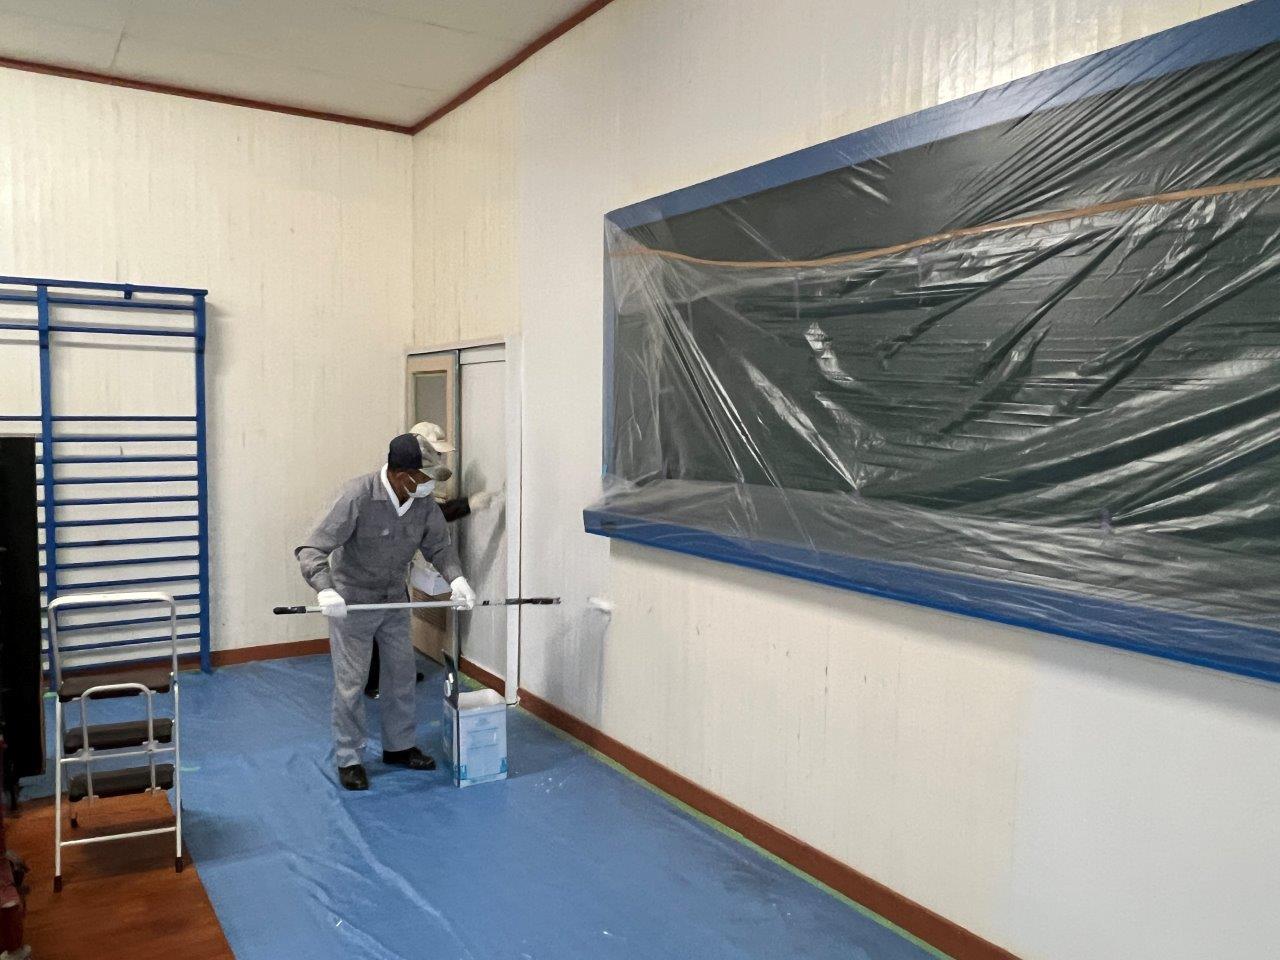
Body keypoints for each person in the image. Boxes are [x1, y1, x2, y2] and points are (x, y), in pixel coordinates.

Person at [295, 434, 476, 791]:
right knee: (351, 683)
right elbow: (311, 549)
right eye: (424, 477)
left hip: (394, 600)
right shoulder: (356, 496)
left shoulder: (422, 504)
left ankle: (399, 746)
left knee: (401, 675)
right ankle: (349, 757)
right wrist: (325, 588)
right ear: (401, 475)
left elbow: (439, 546)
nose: (428, 486)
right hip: (353, 603)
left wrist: (457, 580)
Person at [363, 422, 498, 699]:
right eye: (435, 452)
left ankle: (400, 674)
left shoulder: (412, 480)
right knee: (379, 626)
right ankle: (375, 682)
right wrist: (469, 504)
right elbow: (433, 515)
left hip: (394, 566)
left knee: (397, 624)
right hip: (372, 570)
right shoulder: (394, 484)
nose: (439, 459)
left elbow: (430, 516)